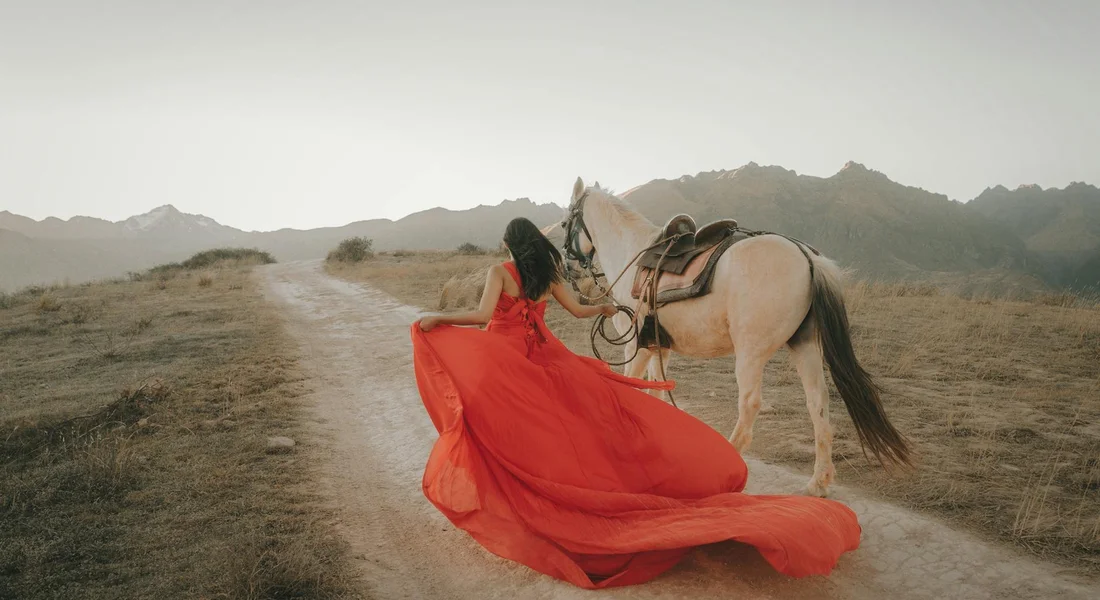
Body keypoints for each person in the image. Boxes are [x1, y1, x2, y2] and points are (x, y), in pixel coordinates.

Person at [410, 217, 860, 589]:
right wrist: (607, 309)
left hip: (507, 361)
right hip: (546, 357)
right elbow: (583, 310)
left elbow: (483, 317)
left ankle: (519, 500)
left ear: (508, 242)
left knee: (487, 423)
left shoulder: (498, 273)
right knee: (575, 424)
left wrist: (438, 319)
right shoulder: (547, 276)